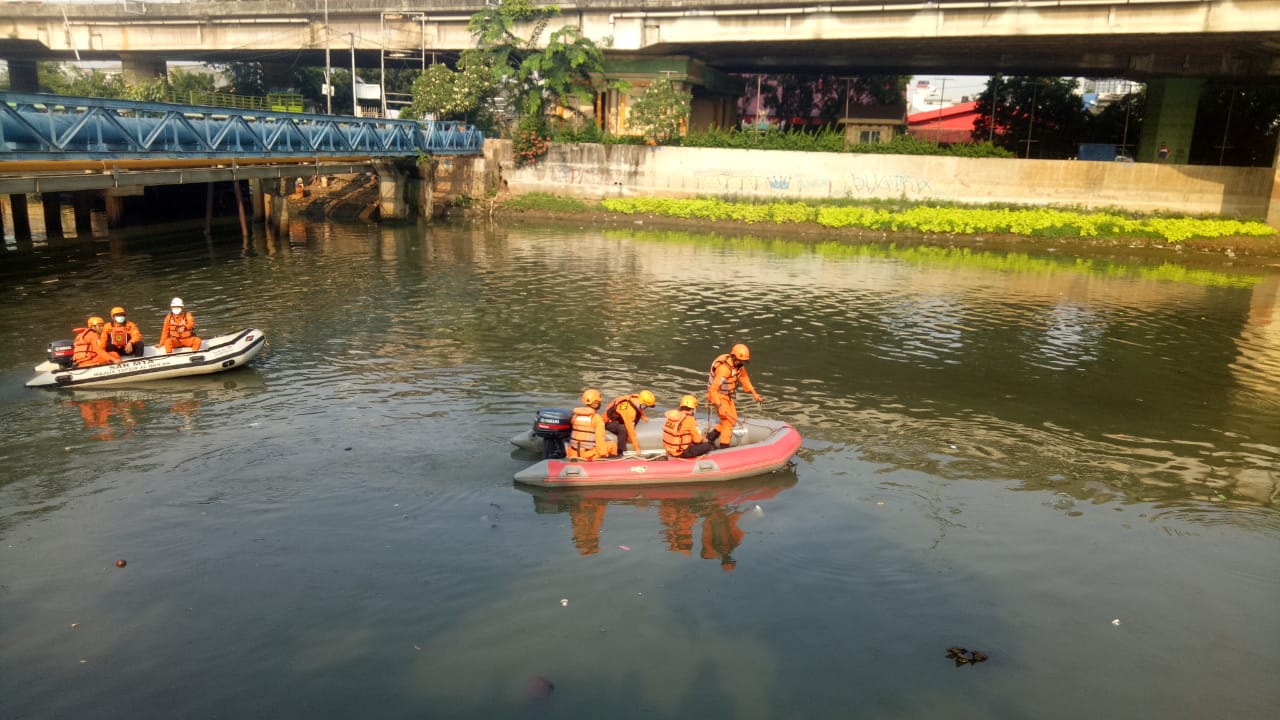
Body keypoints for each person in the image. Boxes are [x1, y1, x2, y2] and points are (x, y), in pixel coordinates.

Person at [706, 343, 762, 448]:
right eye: (741, 361)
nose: (742, 364)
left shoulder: (738, 366)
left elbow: (744, 378)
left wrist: (754, 393)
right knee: (727, 421)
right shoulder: (724, 370)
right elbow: (713, 389)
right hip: (717, 395)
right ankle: (724, 446)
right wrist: (719, 405)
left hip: (727, 395)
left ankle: (711, 437)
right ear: (734, 357)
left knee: (732, 418)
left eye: (744, 362)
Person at [565, 388, 617, 461]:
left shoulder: (575, 416)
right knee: (612, 445)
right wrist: (604, 454)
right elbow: (600, 439)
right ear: (596, 404)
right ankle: (611, 464)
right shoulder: (596, 418)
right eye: (599, 401)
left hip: (573, 453)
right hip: (587, 455)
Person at [603, 389, 656, 455]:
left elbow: (639, 408)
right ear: (643, 404)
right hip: (608, 421)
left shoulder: (636, 399)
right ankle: (619, 451)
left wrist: (643, 416)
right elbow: (630, 429)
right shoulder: (630, 411)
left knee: (637, 415)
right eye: (646, 406)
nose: (646, 408)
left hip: (620, 417)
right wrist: (636, 447)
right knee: (623, 429)